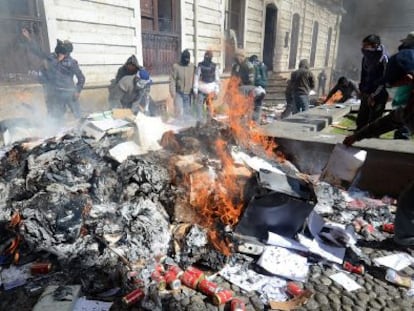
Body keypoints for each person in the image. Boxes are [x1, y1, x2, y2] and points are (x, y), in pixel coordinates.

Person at [22, 28, 85, 120]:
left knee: (78, 116)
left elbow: (81, 78)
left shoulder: (72, 63)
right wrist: (29, 39)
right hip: (57, 94)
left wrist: (78, 91)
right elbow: (39, 52)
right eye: (59, 52)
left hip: (70, 93)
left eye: (63, 53)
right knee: (57, 117)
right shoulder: (52, 58)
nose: (60, 54)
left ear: (67, 53)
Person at [356, 34, 388, 131]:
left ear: (375, 45)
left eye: (366, 46)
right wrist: (361, 90)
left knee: (375, 122)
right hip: (366, 93)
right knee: (361, 120)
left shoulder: (384, 59)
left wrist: (374, 95)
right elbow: (363, 75)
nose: (363, 48)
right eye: (363, 45)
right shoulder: (365, 58)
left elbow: (384, 80)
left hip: (379, 94)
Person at [193, 50, 220, 123]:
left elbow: (217, 79)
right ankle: (200, 122)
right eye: (207, 56)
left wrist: (216, 91)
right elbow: (196, 77)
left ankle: (209, 122)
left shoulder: (215, 66)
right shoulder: (200, 65)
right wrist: (195, 90)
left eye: (209, 57)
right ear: (204, 57)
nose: (208, 58)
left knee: (210, 107)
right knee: (199, 107)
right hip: (201, 90)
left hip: (211, 91)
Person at [170, 49, 195, 120]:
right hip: (179, 93)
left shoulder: (192, 66)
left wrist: (195, 90)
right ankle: (178, 126)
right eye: (185, 60)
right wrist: (173, 92)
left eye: (188, 60)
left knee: (187, 113)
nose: (186, 62)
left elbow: (195, 78)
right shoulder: (176, 66)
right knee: (178, 112)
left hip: (188, 94)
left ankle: (186, 127)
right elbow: (172, 80)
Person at [249, 55, 268, 122]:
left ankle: (253, 122)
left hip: (257, 89)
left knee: (254, 107)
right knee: (257, 107)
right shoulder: (262, 67)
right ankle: (255, 122)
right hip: (261, 89)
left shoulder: (256, 67)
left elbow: (255, 79)